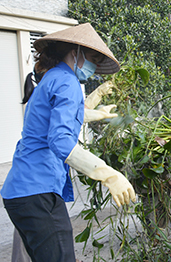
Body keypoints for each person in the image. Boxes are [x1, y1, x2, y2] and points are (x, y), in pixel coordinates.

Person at [1, 23, 136, 262]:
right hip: (37, 190)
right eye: (93, 58)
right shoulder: (68, 82)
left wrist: (99, 113)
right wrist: (109, 175)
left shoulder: (53, 77)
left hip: (21, 191)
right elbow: (60, 140)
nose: (94, 68)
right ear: (76, 52)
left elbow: (57, 118)